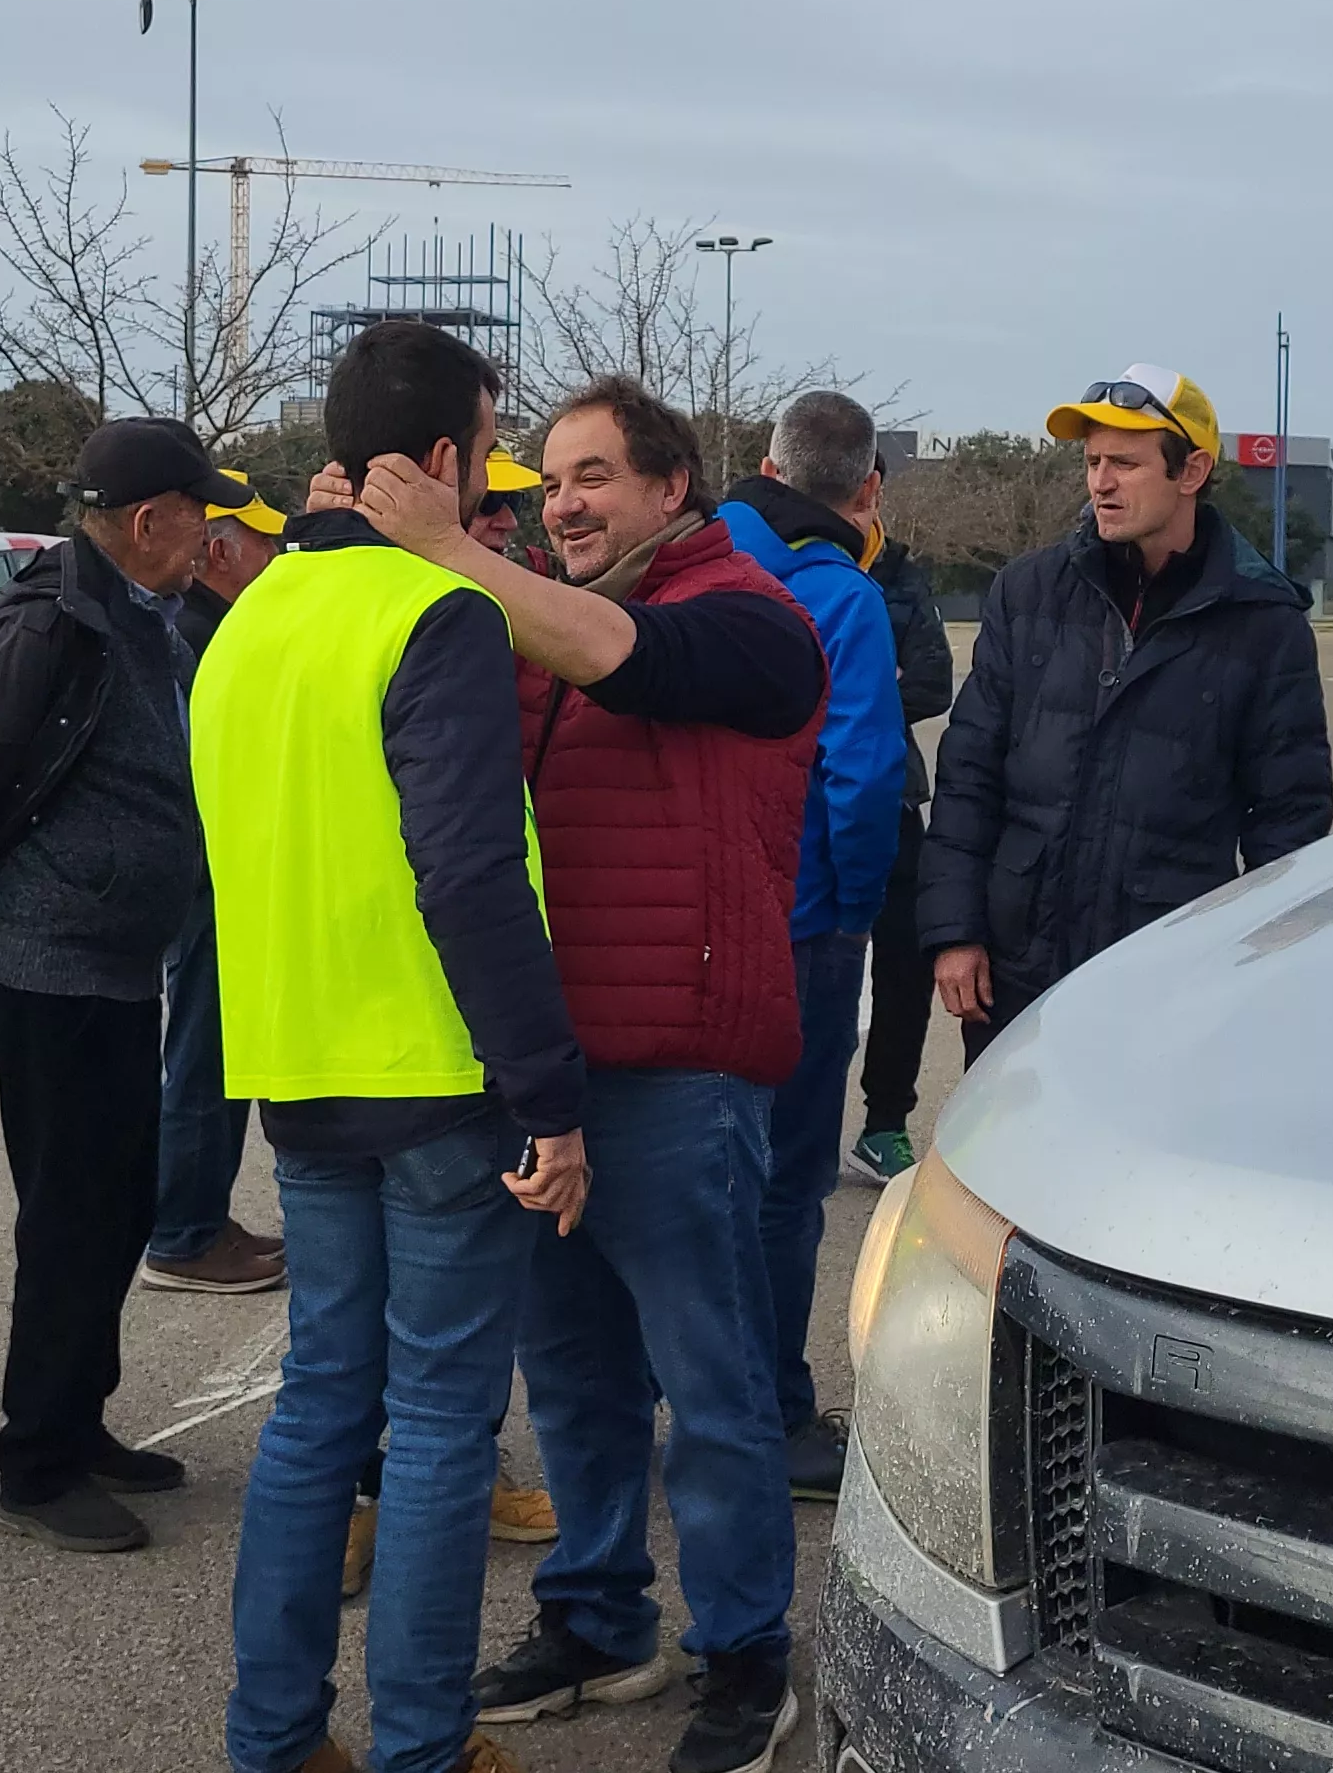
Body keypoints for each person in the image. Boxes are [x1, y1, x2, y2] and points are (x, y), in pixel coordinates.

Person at [335, 373, 824, 1773]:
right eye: (547, 482)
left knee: (710, 1386)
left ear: (676, 486)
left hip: (680, 1067)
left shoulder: (751, 621)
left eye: (595, 476)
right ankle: (601, 1618)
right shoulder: (520, 619)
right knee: (575, 1380)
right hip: (545, 1071)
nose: (564, 505)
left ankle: (745, 1654)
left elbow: (640, 661)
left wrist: (451, 549)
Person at [208, 320, 592, 1773]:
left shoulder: (246, 624)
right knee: (437, 1423)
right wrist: (550, 1094)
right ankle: (427, 1748)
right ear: (439, 461)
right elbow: (470, 872)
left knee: (321, 1407)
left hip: (296, 1066)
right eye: (485, 454)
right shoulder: (439, 616)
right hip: (435, 1071)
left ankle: (275, 1739)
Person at [0, 417, 232, 1552]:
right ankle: (37, 1459)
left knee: (117, 1201)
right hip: (53, 968)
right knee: (72, 1212)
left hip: (111, 964)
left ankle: (80, 1417)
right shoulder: (47, 625)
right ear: (149, 519)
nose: (212, 529)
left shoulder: (143, 617)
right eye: (199, 510)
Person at [923, 364, 1333, 1059]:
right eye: (1092, 461)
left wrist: (1260, 968)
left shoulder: (1264, 623)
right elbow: (969, 775)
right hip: (1017, 969)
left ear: (1192, 471)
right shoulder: (1027, 593)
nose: (1100, 482)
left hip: (1165, 974)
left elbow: (1290, 819)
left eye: (1125, 463)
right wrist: (954, 931)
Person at [714, 390, 905, 1502]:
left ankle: (684, 1381)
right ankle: (772, 1410)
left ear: (762, 462)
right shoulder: (841, 594)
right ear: (866, 489)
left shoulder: (689, 560)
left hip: (695, 913)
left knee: (693, 1171)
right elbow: (864, 770)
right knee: (786, 1183)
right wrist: (851, 905)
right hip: (804, 921)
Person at [146, 471, 292, 1299]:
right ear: (216, 552)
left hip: (214, 862)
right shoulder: (202, 636)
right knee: (206, 1047)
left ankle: (195, 1218)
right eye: (264, 543)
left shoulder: (209, 626)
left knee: (213, 1042)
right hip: (209, 868)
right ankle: (185, 1233)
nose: (277, 556)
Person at [847, 525, 956, 1186]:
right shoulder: (780, 558)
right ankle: (786, 1123)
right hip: (805, 796)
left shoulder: (901, 575)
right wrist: (873, 679)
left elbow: (934, 680)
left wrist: (848, 687)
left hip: (892, 794)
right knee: (804, 968)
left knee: (904, 966)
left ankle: (885, 1123)